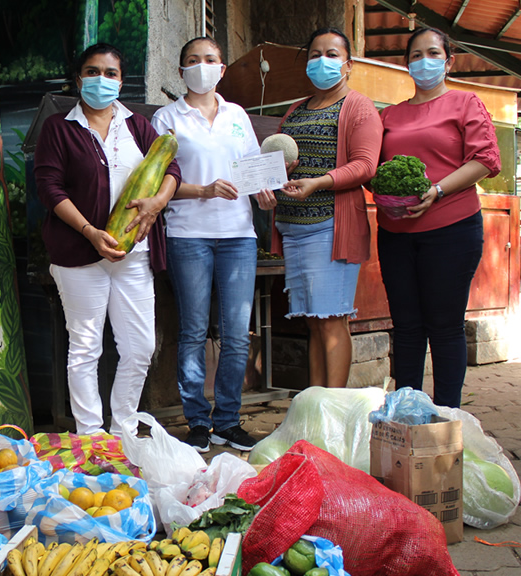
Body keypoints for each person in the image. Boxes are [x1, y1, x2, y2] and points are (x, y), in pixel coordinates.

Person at [34, 43, 180, 435]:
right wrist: (89, 231)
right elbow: (49, 187)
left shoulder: (138, 125)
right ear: (79, 78)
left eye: (111, 73)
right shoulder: (60, 128)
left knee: (139, 347)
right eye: (92, 71)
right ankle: (91, 435)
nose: (102, 80)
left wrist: (156, 203)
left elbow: (171, 168)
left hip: (134, 253)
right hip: (79, 253)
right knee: (85, 349)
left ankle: (124, 429)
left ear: (121, 80)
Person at [151, 37, 276, 452]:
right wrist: (202, 190)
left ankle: (227, 420)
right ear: (181, 70)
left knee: (237, 334)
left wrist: (264, 191)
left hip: (239, 235)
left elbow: (253, 169)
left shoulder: (237, 115)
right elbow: (156, 182)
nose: (200, 66)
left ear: (221, 69)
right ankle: (198, 423)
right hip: (188, 234)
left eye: (209, 60)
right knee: (192, 331)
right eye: (192, 61)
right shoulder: (167, 118)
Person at [377, 27, 501, 408]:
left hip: (452, 229)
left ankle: (448, 417)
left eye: (433, 53)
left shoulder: (465, 103)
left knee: (445, 327)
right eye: (416, 55)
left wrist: (438, 190)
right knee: (407, 328)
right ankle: (406, 414)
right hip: (395, 233)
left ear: (448, 62)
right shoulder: (389, 115)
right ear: (407, 64)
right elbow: (373, 166)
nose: (423, 61)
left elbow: (485, 160)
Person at [273, 28, 382, 388]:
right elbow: (283, 161)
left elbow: (365, 165)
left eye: (332, 54)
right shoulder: (295, 110)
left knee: (332, 320)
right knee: (313, 321)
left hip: (330, 228)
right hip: (294, 228)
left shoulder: (358, 106)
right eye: (315, 54)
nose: (323, 61)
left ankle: (332, 407)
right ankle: (315, 402)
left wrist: (319, 182)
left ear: (348, 65)